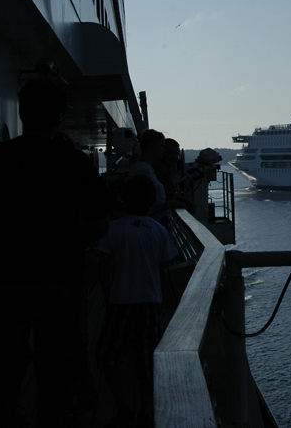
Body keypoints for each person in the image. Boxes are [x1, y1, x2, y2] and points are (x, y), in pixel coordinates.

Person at [0, 79, 110, 428]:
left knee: (2, 367)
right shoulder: (73, 162)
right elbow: (99, 223)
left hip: (0, 279)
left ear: (21, 113)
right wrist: (70, 242)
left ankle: (2, 417)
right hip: (59, 280)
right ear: (59, 117)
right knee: (56, 367)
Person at [95, 174, 178, 428]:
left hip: (121, 301)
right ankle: (146, 411)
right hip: (150, 302)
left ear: (124, 198)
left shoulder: (114, 228)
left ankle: (123, 408)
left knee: (106, 354)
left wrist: (108, 295)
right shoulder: (159, 230)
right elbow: (166, 268)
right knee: (147, 359)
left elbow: (103, 265)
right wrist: (164, 302)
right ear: (152, 201)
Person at [129, 129, 167, 213]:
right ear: (151, 146)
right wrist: (171, 204)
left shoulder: (145, 168)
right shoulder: (143, 170)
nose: (163, 150)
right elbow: (143, 206)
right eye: (161, 146)